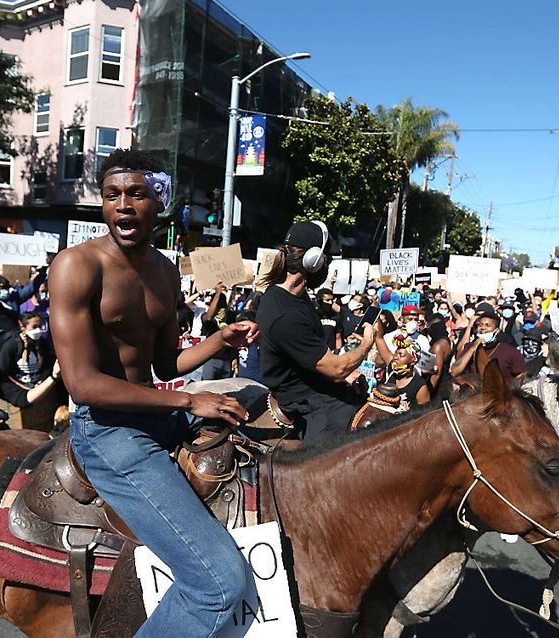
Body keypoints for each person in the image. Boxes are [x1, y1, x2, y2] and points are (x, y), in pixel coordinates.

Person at [50, 148, 258, 636]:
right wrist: (189, 399)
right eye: (112, 195)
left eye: (136, 194)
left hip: (158, 414)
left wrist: (217, 341)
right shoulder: (76, 267)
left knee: (260, 416)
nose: (123, 205)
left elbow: (165, 365)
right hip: (107, 432)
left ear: (157, 203)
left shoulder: (165, 272)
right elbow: (83, 386)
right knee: (219, 584)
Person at [256, 220, 377, 443]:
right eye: (327, 261)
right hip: (304, 400)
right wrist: (367, 343)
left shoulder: (297, 297)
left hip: (315, 383)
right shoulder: (285, 315)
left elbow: (311, 357)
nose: (328, 267)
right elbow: (336, 368)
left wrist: (349, 375)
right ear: (313, 262)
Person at [449, 311, 526, 385]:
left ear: (497, 331)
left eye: (487, 325)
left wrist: (508, 390)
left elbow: (521, 375)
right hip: (474, 395)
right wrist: (473, 348)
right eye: (480, 325)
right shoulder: (469, 346)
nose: (482, 328)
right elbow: (454, 371)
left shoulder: (510, 351)